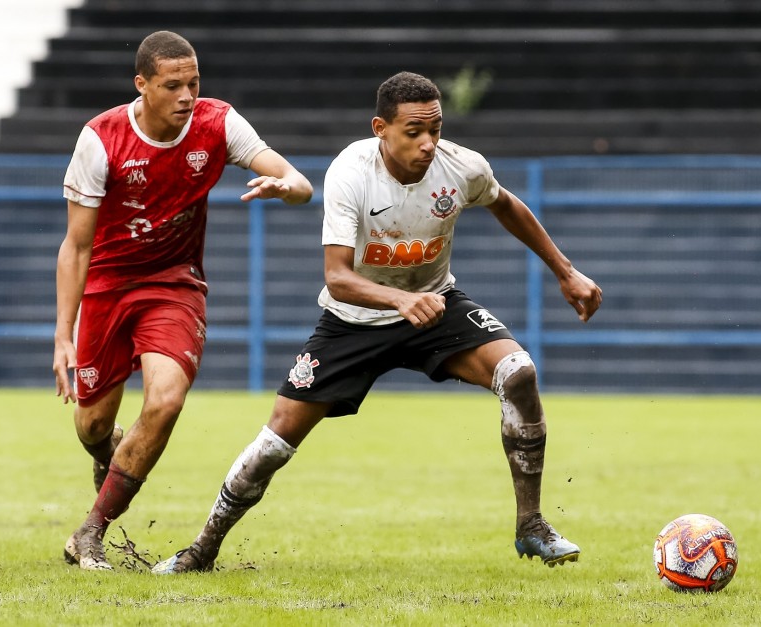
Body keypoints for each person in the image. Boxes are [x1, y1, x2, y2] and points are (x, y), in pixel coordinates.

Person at [152, 70, 602, 574]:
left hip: (434, 303)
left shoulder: (462, 167)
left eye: (435, 129)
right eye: (414, 132)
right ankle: (202, 549)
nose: (429, 143)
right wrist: (397, 301)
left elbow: (505, 204)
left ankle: (532, 527)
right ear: (380, 129)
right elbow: (338, 277)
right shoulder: (351, 173)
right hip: (353, 320)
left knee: (518, 372)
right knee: (275, 442)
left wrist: (566, 272)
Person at [53, 30, 314, 571]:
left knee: (166, 399)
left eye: (193, 82)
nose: (187, 95)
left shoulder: (218, 123)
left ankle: (89, 533)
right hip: (106, 284)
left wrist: (285, 186)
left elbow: (297, 180)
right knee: (91, 426)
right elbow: (77, 246)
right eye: (172, 85)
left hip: (174, 285)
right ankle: (109, 452)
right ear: (141, 85)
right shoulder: (100, 139)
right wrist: (64, 334)